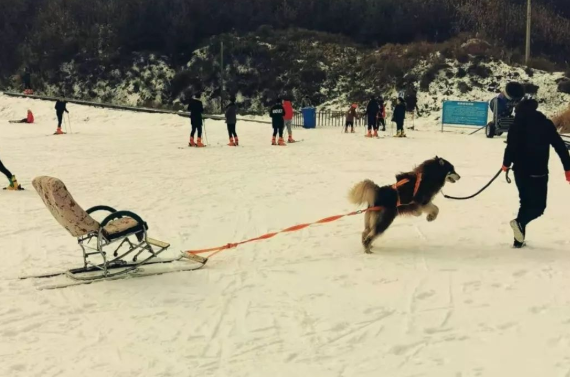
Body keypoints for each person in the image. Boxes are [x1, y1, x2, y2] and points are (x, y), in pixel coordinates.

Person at [502, 98, 570, 248]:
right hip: (538, 172)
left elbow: (510, 148)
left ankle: (518, 241)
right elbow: (560, 146)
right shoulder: (545, 124)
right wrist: (567, 167)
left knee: (525, 203)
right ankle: (520, 223)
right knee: (539, 208)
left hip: (519, 172)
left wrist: (506, 164)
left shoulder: (516, 125)